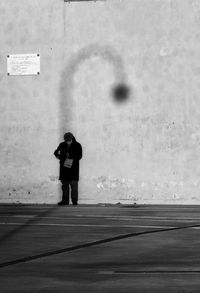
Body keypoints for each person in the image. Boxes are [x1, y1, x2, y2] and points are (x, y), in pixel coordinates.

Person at [54, 132, 82, 205]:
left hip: (73, 169)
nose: (68, 141)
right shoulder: (62, 144)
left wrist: (70, 155)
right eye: (66, 140)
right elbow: (56, 152)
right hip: (64, 169)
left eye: (69, 140)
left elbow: (79, 156)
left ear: (72, 138)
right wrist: (58, 153)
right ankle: (65, 201)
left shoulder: (77, 145)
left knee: (74, 187)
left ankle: (74, 201)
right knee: (65, 186)